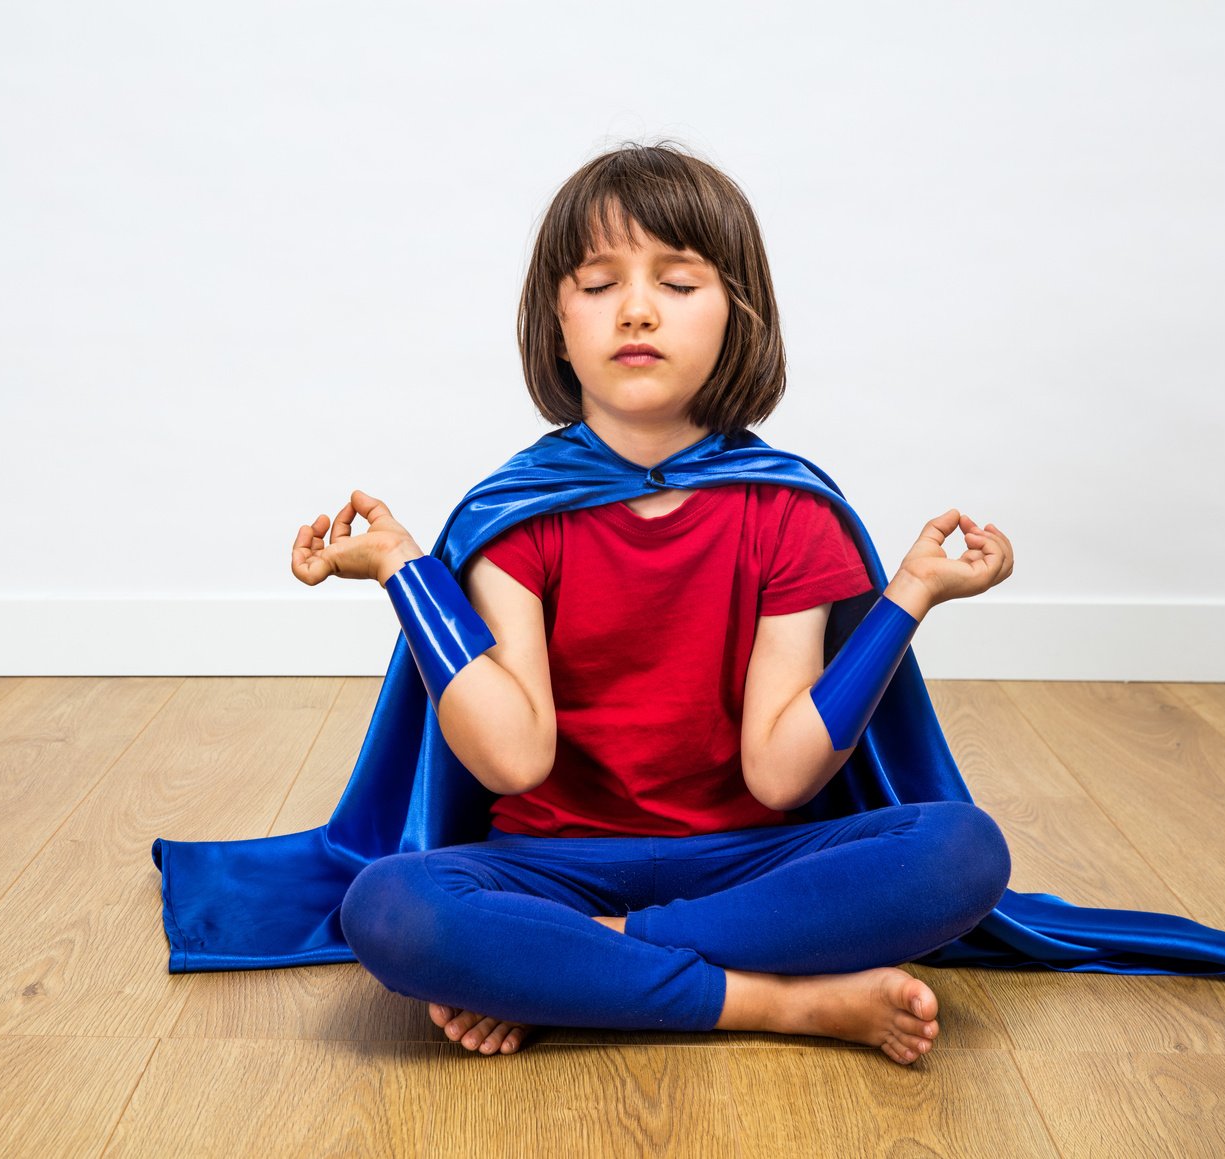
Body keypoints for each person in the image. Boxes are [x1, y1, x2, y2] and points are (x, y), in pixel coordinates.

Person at [290, 141, 1018, 1064]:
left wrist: (910, 592)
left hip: (750, 860)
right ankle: (782, 1002)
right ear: (556, 322)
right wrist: (405, 566)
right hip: (547, 867)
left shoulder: (789, 513)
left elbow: (780, 775)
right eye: (597, 285)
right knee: (390, 908)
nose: (636, 310)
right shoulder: (513, 518)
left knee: (963, 851)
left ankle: (584, 967)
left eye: (678, 282)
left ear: (736, 316)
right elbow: (513, 758)